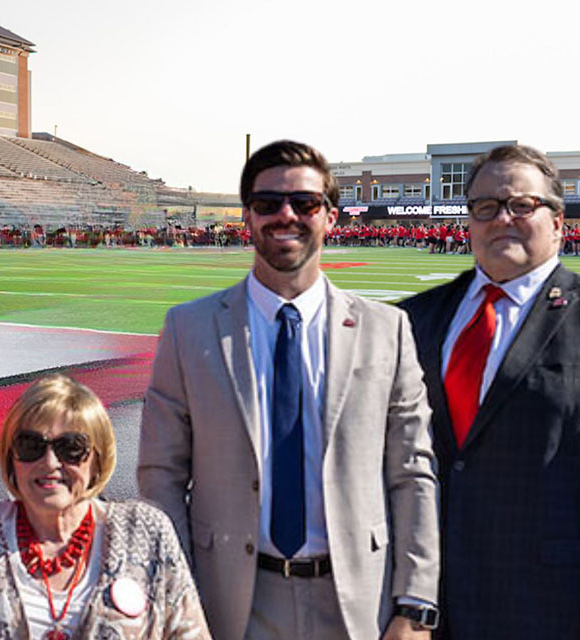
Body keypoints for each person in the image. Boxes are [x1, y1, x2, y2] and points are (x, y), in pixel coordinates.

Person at [138, 140, 440, 640]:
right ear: (247, 216)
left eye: (305, 204)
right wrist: (177, 593)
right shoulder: (188, 329)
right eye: (267, 203)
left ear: (330, 217)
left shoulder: (387, 329)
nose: (286, 215)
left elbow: (412, 473)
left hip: (361, 600)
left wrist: (416, 605)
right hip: (231, 601)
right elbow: (161, 477)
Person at [398, 144, 580, 640]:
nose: (502, 219)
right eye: (486, 207)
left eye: (521, 205)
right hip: (428, 606)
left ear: (558, 221)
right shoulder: (413, 319)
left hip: (557, 608)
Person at [0, 374, 211, 640]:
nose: (50, 462)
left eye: (71, 448)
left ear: (97, 459)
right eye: (31, 446)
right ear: (11, 458)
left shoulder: (146, 531)